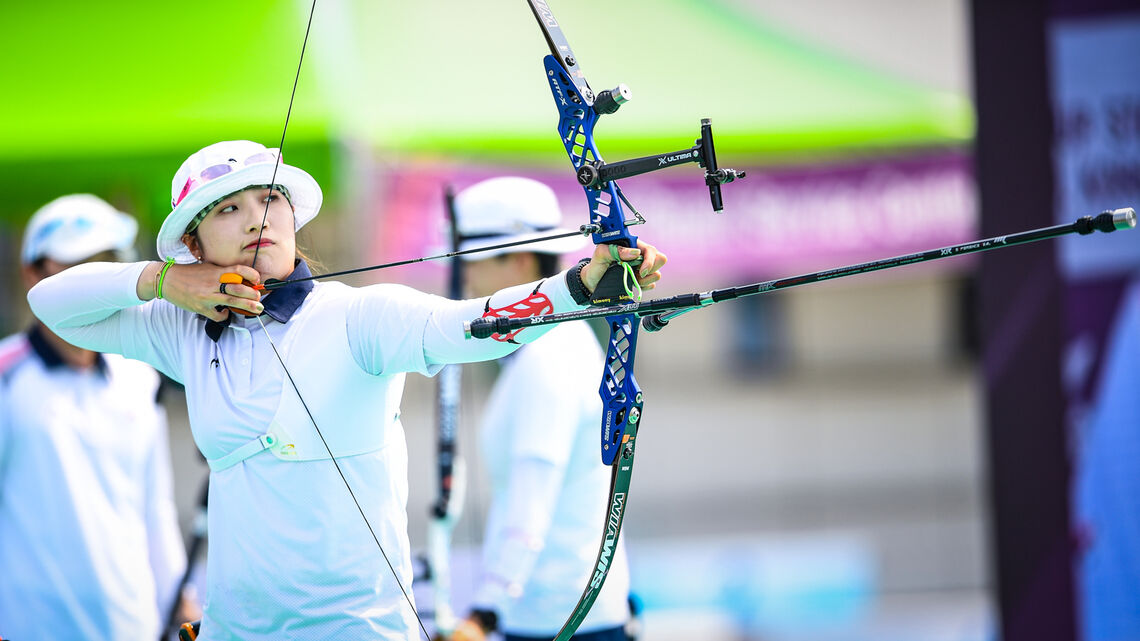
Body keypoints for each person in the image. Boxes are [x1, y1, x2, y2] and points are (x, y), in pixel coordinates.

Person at [26, 140, 665, 640]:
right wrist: (163, 282)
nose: (256, 219)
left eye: (269, 200)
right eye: (228, 208)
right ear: (193, 243)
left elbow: (467, 325)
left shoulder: (359, 315)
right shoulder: (179, 330)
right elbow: (49, 302)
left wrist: (577, 288)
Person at [447, 177, 632, 641]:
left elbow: (533, 502)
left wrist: (482, 615)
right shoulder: (552, 346)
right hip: (563, 614)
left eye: (475, 262)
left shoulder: (550, 355)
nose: (466, 278)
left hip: (560, 620)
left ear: (521, 261)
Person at [0, 194, 190, 640]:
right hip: (31, 625)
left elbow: (154, 505)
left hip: (134, 623)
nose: (92, 283)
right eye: (77, 266)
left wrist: (180, 599)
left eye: (105, 265)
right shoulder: (5, 373)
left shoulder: (139, 375)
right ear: (33, 274)